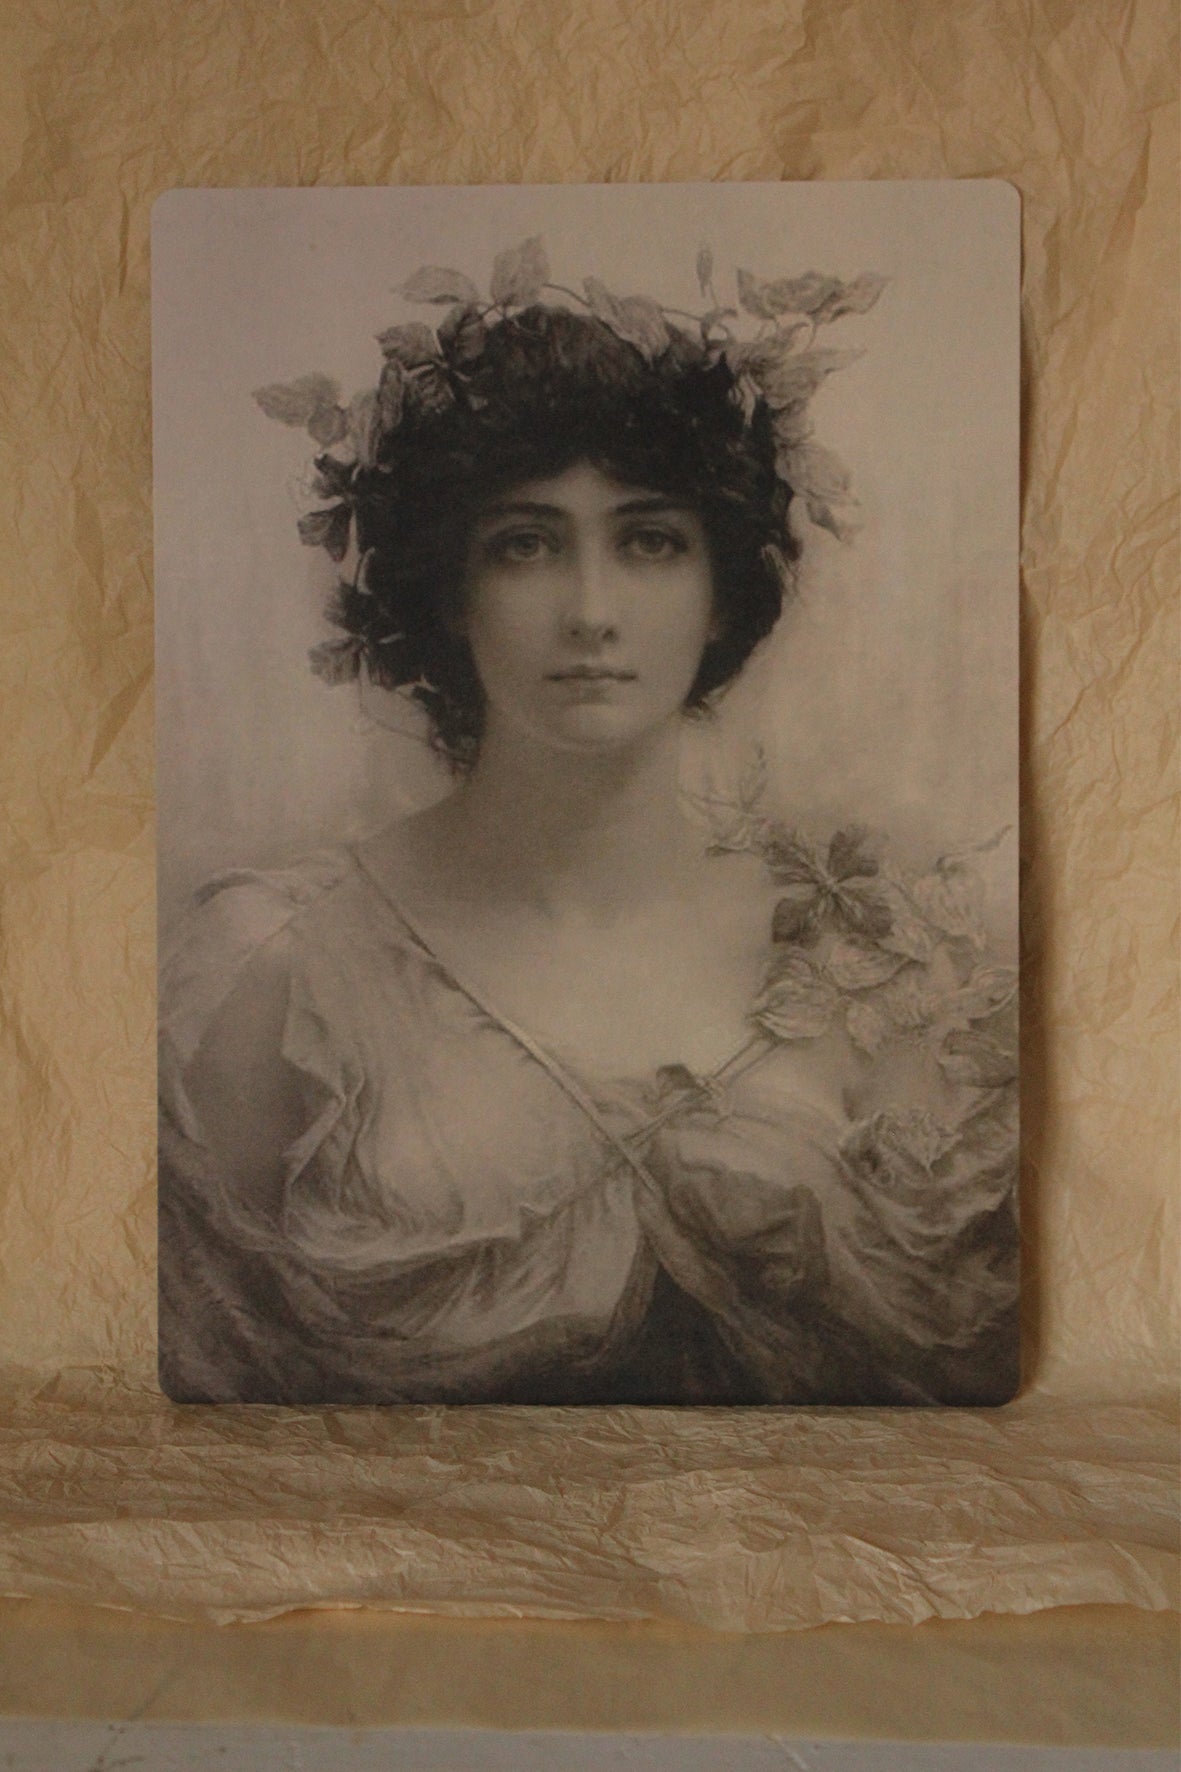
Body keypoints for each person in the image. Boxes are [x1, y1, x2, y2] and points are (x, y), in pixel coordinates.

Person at [158, 249, 1019, 1405]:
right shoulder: (282, 971)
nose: (591, 611)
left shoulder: (869, 963)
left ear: (719, 593)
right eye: (525, 543)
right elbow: (212, 1405)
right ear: (450, 590)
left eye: (649, 540)